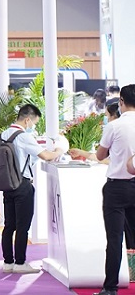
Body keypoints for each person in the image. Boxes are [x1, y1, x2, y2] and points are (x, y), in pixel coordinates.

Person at [0, 104, 64, 274]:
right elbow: (46, 156)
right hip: (22, 184)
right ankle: (20, 263)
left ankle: (8, 262)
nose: (33, 126)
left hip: (7, 184)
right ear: (27, 120)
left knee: (9, 225)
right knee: (23, 226)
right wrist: (59, 150)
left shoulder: (2, 135)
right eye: (34, 123)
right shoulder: (24, 137)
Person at [95, 84, 135, 295]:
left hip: (117, 187)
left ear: (121, 101)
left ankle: (110, 288)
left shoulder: (114, 126)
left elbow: (100, 155)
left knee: (114, 239)